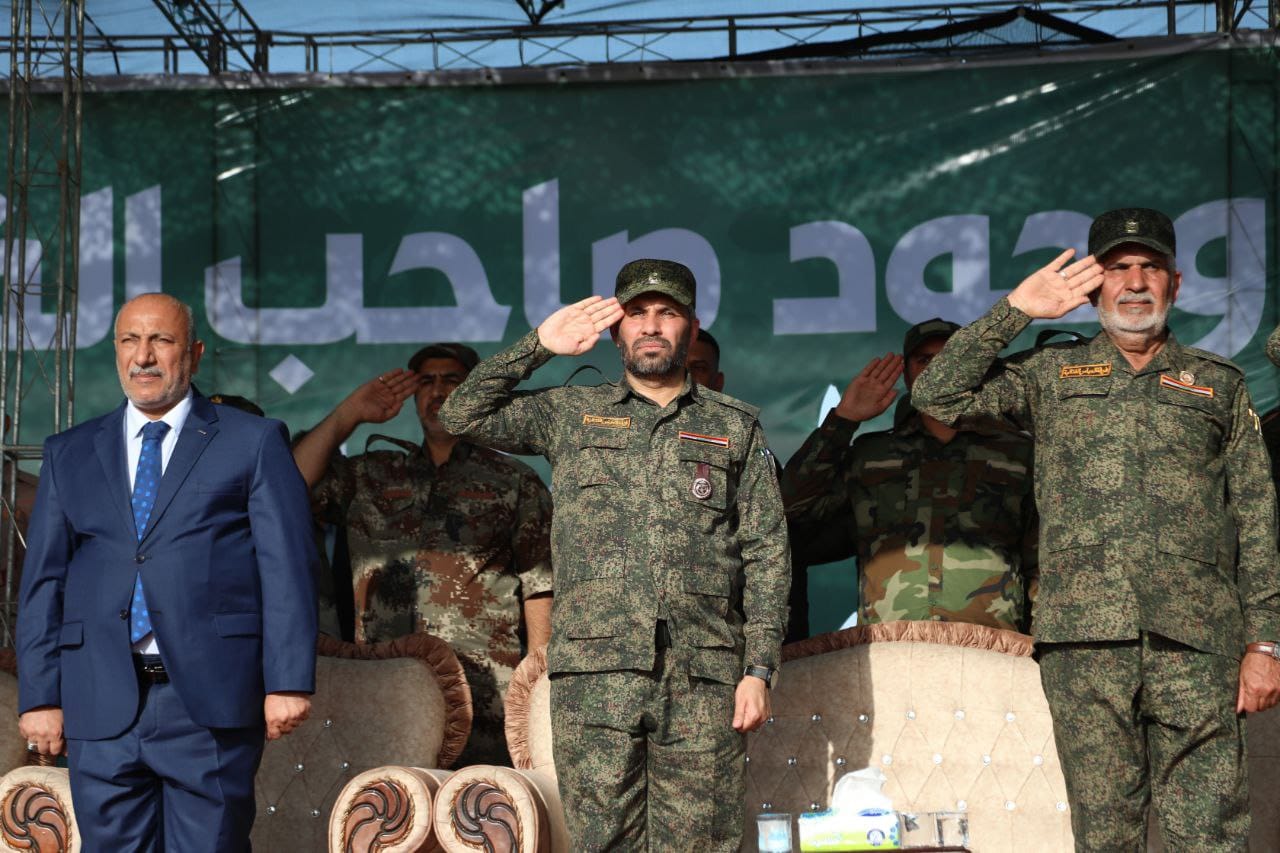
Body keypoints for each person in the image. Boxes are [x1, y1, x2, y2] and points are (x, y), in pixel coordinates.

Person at [911, 207, 1280, 850]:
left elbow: (1255, 515)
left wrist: (1265, 644)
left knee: (1212, 833)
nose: (1135, 283)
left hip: (1197, 642)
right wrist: (1015, 311)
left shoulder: (1217, 384)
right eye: (1117, 268)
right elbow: (936, 395)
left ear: (1175, 283)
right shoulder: (1049, 374)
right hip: (1085, 642)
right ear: (1092, 286)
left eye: (1150, 268)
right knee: (1105, 834)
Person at [438, 259, 790, 851]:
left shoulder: (734, 427)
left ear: (691, 326)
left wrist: (757, 671)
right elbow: (459, 414)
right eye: (636, 313)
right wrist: (539, 345)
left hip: (702, 676)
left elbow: (767, 552)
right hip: (595, 675)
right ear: (615, 331)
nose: (651, 326)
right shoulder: (570, 412)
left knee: (702, 843)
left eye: (667, 313)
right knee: (602, 843)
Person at [16, 293, 317, 851]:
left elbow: (288, 568)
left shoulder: (252, 441)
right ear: (115, 350)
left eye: (161, 340)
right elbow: (43, 583)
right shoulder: (69, 451)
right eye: (130, 341)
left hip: (208, 700)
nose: (144, 356)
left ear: (194, 354)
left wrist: (288, 681)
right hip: (99, 696)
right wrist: (39, 695)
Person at [292, 342, 553, 766]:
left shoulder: (512, 480)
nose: (438, 391)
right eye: (426, 382)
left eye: (452, 380)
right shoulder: (371, 474)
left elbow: (540, 585)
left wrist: (538, 682)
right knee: (386, 801)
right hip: (384, 687)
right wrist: (348, 414)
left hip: (485, 692)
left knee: (479, 803)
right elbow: (290, 484)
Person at [782, 319, 1037, 633]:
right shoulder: (871, 454)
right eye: (924, 360)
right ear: (906, 373)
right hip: (890, 645)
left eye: (950, 358)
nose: (937, 370)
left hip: (991, 645)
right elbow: (790, 510)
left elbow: (1043, 561)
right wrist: (843, 421)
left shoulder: (1017, 453)